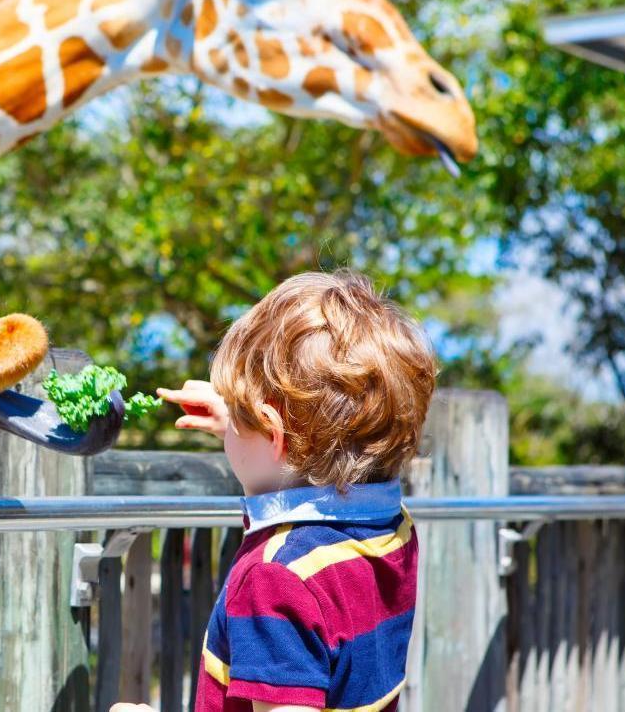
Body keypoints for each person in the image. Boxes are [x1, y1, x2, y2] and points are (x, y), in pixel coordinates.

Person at [113, 270, 436, 712]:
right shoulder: (392, 527)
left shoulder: (277, 578)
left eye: (242, 419)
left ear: (272, 430)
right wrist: (240, 422)